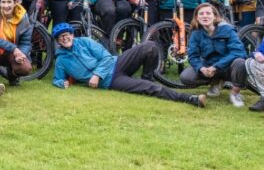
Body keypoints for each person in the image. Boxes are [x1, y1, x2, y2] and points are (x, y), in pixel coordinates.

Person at [51, 23, 207, 107]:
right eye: (61, 37)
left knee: (149, 46)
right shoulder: (61, 60)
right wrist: (61, 82)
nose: (65, 38)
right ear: (58, 41)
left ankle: (147, 76)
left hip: (116, 63)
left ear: (72, 34)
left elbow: (105, 57)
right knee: (150, 89)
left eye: (67, 35)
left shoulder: (85, 42)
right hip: (111, 81)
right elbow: (57, 78)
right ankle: (189, 99)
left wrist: (96, 75)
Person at [181, 3, 247, 107]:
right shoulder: (195, 33)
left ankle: (235, 93)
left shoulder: (227, 29)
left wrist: (216, 67)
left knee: (240, 63)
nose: (205, 16)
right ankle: (216, 82)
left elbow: (238, 52)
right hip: (208, 66)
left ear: (215, 16)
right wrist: (201, 68)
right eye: (201, 14)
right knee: (186, 77)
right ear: (197, 18)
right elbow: (193, 56)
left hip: (228, 66)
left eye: (208, 13)